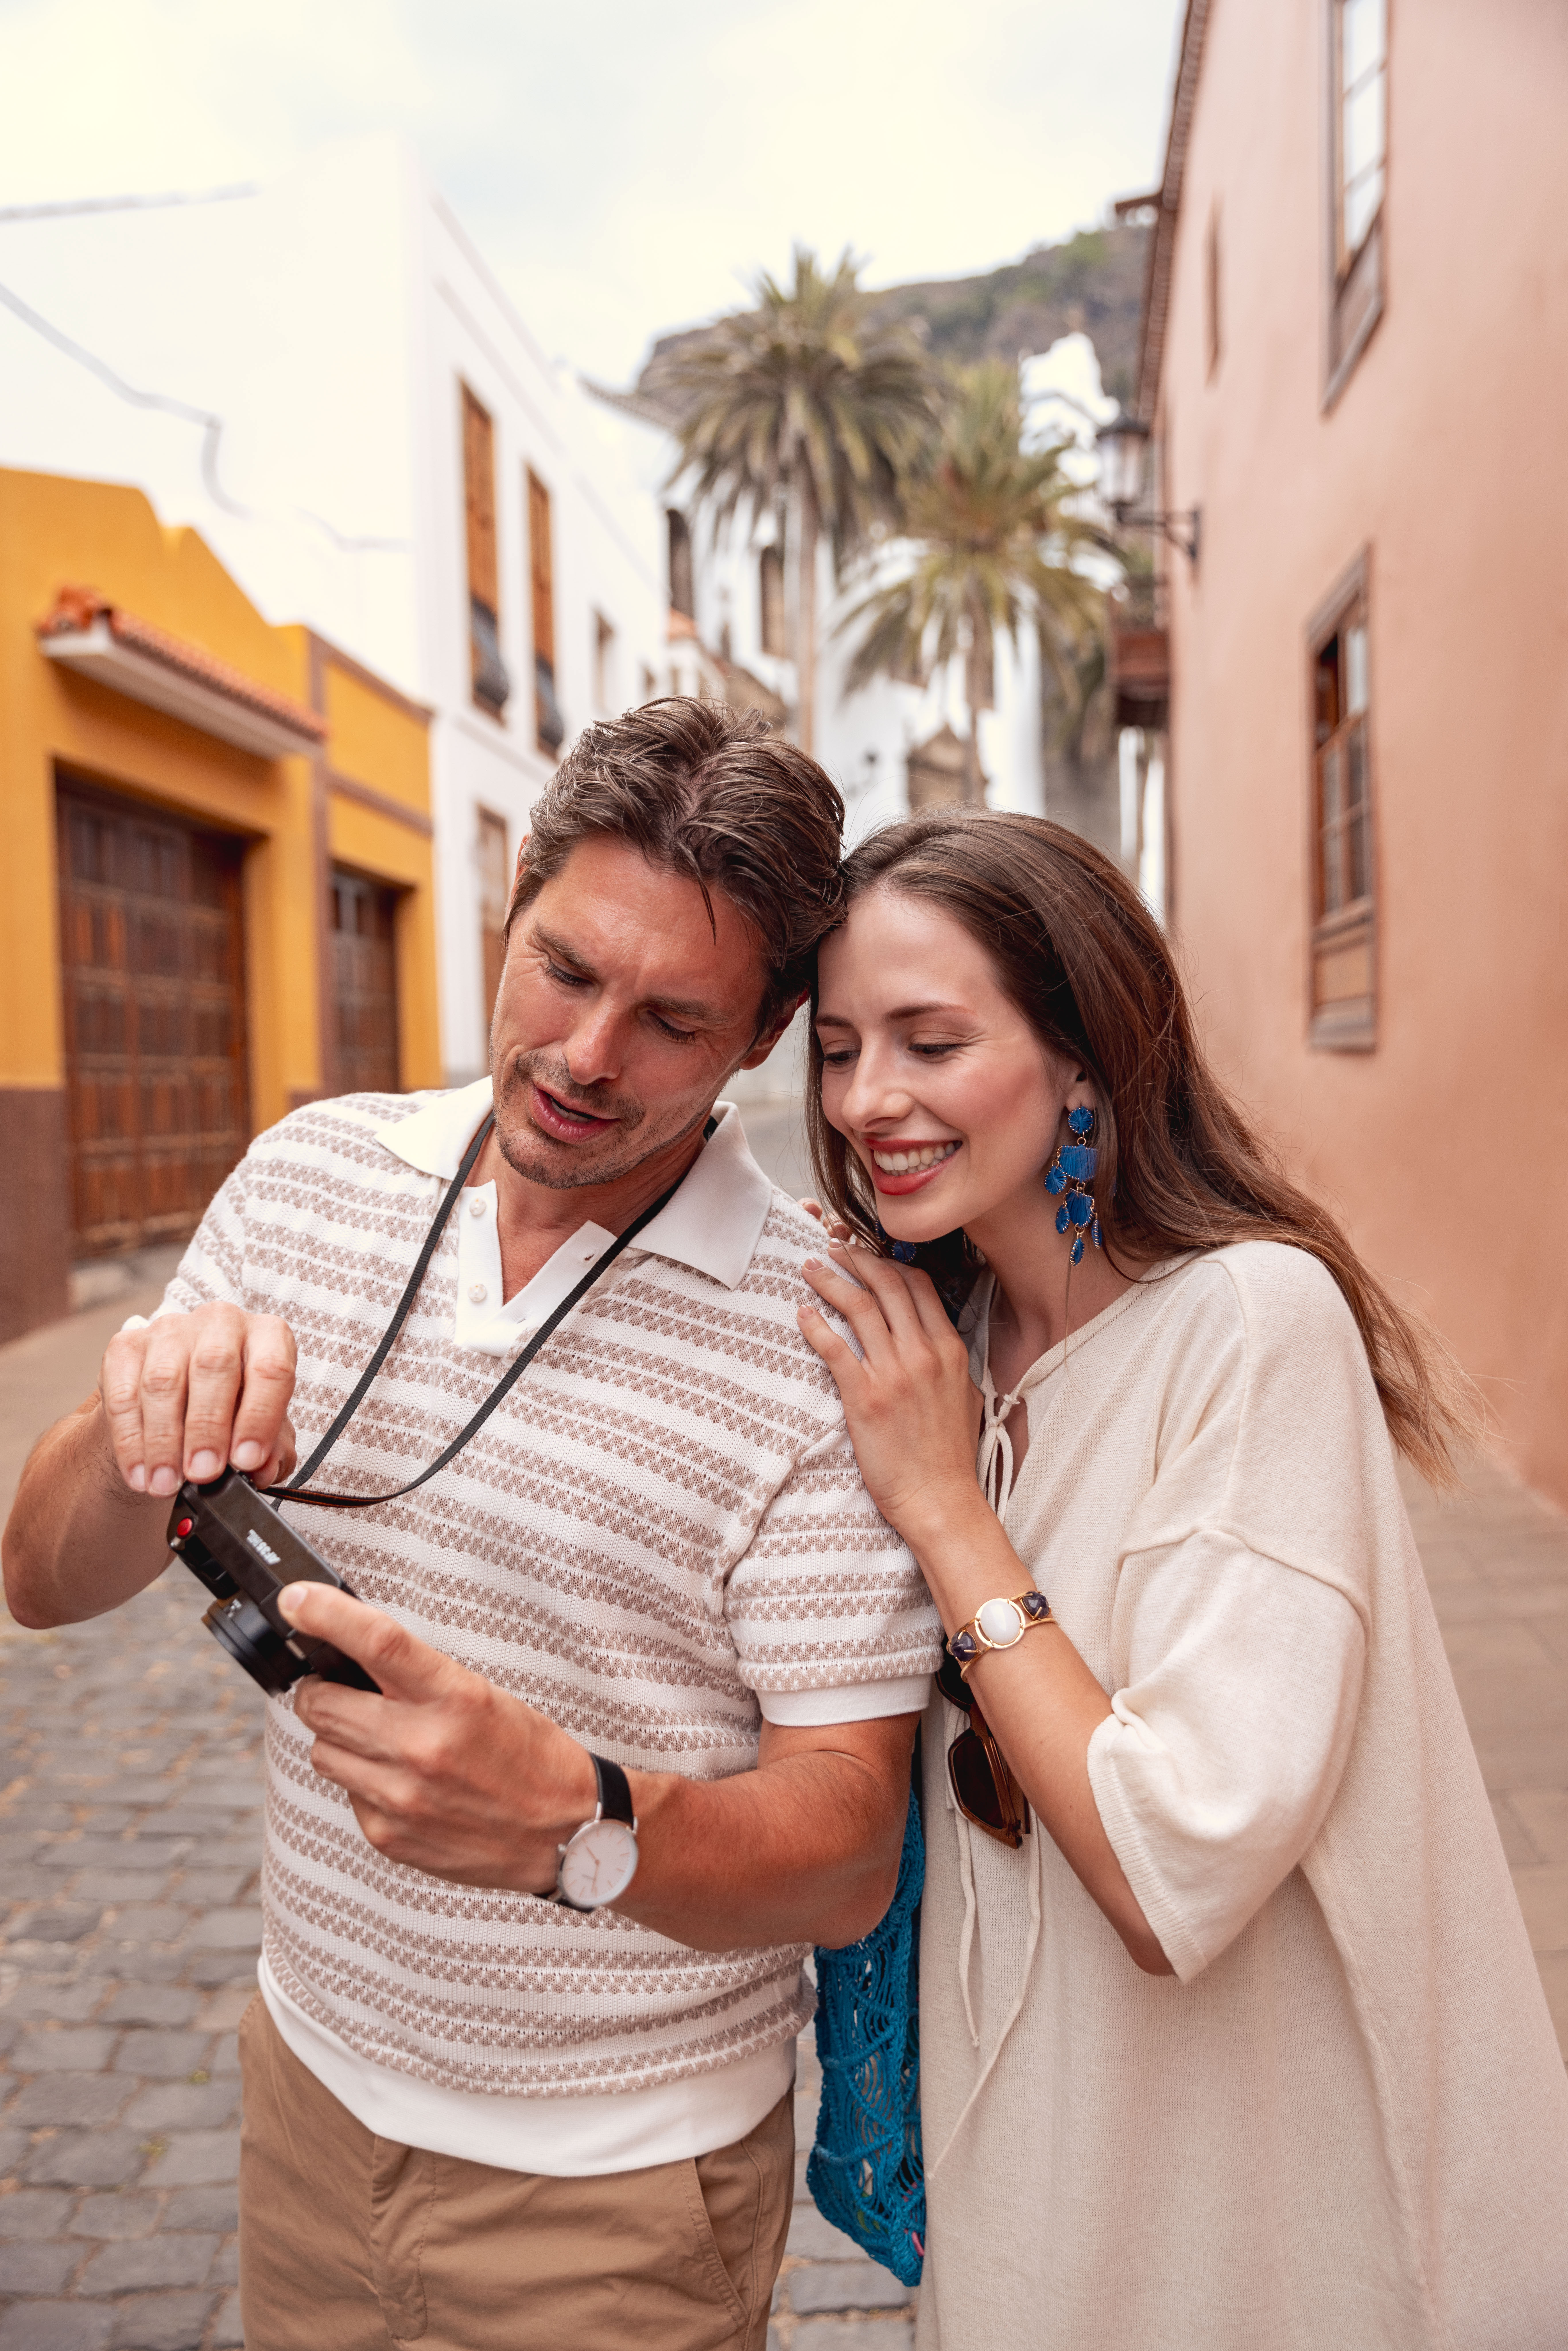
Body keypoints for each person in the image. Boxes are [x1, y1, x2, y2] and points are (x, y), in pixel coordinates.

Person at [2, 699, 941, 2351]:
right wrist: (123, 1427)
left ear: (764, 1035)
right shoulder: (307, 1177)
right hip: (302, 2095)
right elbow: (40, 1580)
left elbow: (850, 1851)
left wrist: (581, 1817)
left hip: (619, 2200)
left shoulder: (823, 1341)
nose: (587, 1058)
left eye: (670, 1018)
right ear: (510, 913)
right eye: (565, 972)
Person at [793, 808, 1568, 2351]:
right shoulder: (926, 1346)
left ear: (1085, 1057)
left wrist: (948, 1514)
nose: (869, 1099)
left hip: (1251, 2195)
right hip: (1016, 2153)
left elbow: (1174, 1866)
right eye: (833, 1048)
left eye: (931, 1042)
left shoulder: (1248, 1327)